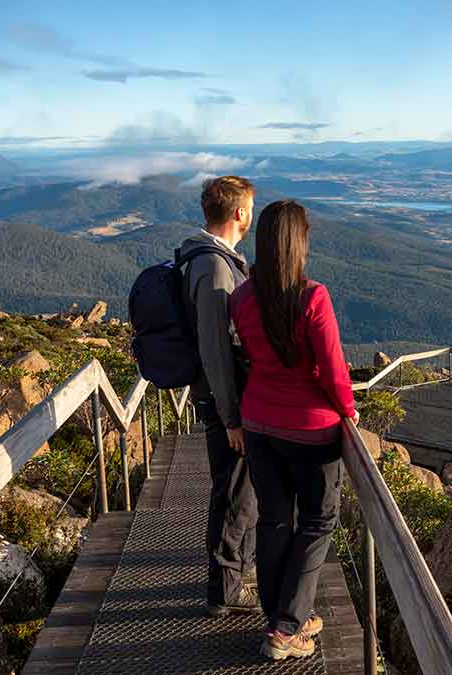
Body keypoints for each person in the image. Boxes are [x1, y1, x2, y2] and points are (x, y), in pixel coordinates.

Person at [229, 200, 358, 661]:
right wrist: (348, 409)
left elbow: (250, 355)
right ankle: (286, 627)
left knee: (274, 520)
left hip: (260, 425)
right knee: (318, 521)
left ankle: (283, 618)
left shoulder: (242, 297)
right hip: (311, 431)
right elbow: (332, 369)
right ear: (298, 243)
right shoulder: (313, 297)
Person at [181, 176, 258, 616]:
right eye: (250, 208)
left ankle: (234, 576)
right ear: (239, 213)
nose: (251, 215)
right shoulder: (213, 269)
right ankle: (225, 590)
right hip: (225, 404)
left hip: (224, 401)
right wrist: (232, 417)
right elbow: (215, 347)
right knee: (233, 495)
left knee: (239, 492)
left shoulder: (211, 260)